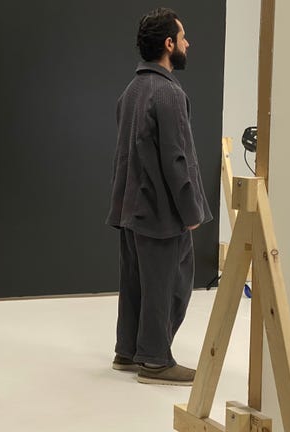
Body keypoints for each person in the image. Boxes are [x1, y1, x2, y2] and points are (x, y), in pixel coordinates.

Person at [105, 7, 213, 386]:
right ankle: (154, 360)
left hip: (130, 210)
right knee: (170, 286)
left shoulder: (131, 90)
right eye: (182, 37)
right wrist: (191, 209)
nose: (187, 43)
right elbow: (177, 158)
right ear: (169, 44)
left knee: (136, 282)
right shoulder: (167, 93)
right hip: (159, 212)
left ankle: (128, 351)